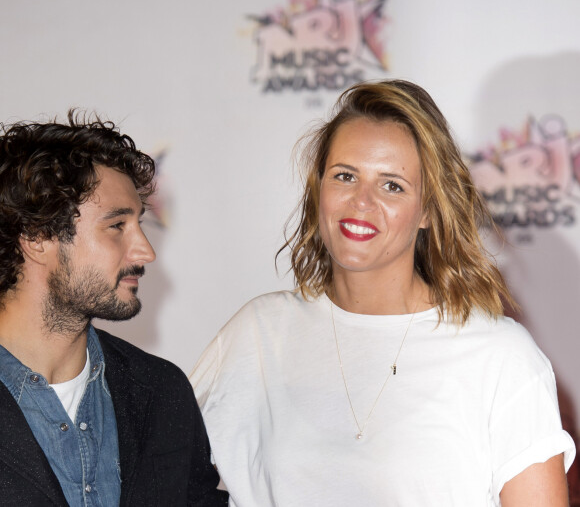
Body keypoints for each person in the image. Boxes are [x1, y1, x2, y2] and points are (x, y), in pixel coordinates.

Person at [191, 80, 576, 506]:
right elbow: (152, 469)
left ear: (428, 209)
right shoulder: (258, 334)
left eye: (392, 185)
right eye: (344, 176)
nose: (361, 201)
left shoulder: (501, 356)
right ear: (320, 188)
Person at [0, 111, 228, 506]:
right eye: (117, 226)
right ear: (37, 237)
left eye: (140, 224)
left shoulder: (162, 392)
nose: (146, 251)